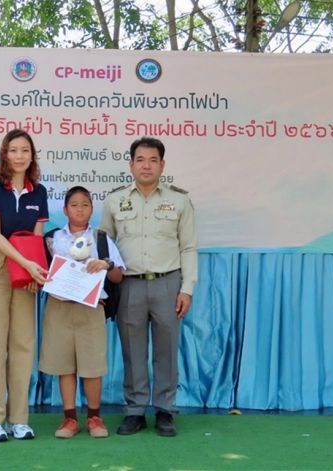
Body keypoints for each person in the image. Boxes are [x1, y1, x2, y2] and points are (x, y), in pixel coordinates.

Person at [99, 137, 198, 437]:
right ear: (131, 165)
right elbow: (104, 246)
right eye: (140, 160)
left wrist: (187, 288)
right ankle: (135, 411)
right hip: (130, 285)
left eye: (153, 160)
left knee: (166, 350)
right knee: (133, 350)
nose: (146, 166)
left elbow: (188, 247)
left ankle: (165, 410)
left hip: (168, 283)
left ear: (162, 165)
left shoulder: (180, 201)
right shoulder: (114, 201)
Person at [0, 129, 49, 442]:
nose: (19, 156)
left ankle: (19, 419)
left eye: (25, 150)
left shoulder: (39, 192)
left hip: (26, 269)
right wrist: (27, 264)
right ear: (4, 154)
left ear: (32, 155)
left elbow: (38, 236)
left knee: (23, 344)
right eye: (13, 150)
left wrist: (34, 271)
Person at [40, 186, 125, 439]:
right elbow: (41, 271)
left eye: (85, 205)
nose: (80, 209)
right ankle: (69, 419)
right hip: (59, 307)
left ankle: (94, 418)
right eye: (74, 205)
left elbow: (118, 276)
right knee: (64, 364)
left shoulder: (101, 239)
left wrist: (106, 264)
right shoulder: (52, 239)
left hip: (91, 308)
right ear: (65, 209)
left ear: (92, 209)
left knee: (92, 365)